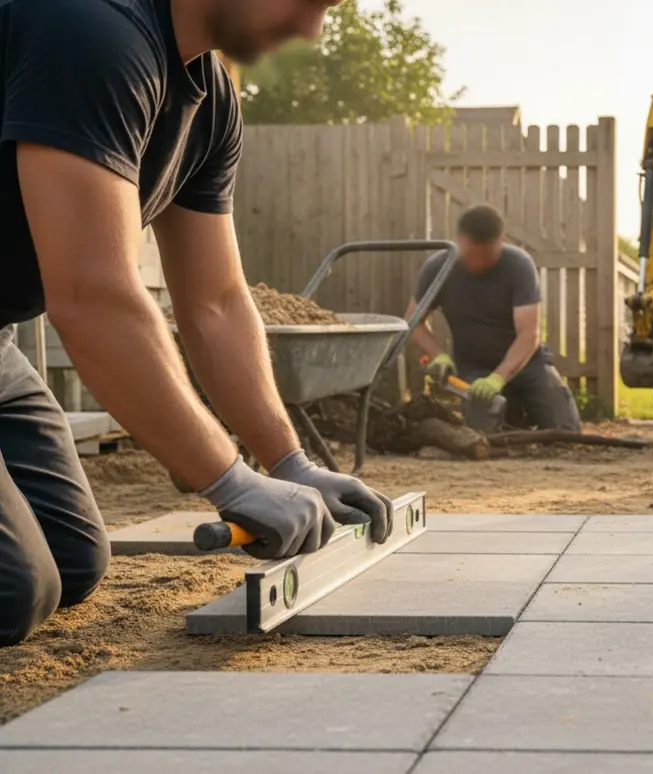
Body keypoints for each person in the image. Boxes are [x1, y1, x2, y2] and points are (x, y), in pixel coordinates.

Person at [0, 0, 393, 647]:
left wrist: (289, 463)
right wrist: (227, 478)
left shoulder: (209, 102)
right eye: (308, 3)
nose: (310, 30)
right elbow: (93, 295)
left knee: (72, 564)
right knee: (14, 590)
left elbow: (214, 301)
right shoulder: (90, 33)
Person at [407, 205, 583, 434]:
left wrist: (498, 378)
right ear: (460, 240)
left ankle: (523, 409)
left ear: (501, 240)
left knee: (568, 431)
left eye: (487, 256)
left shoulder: (519, 265)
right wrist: (437, 354)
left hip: (528, 365)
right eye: (472, 256)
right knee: (484, 433)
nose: (478, 264)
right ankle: (513, 418)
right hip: (475, 369)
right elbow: (413, 320)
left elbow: (529, 335)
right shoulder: (439, 268)